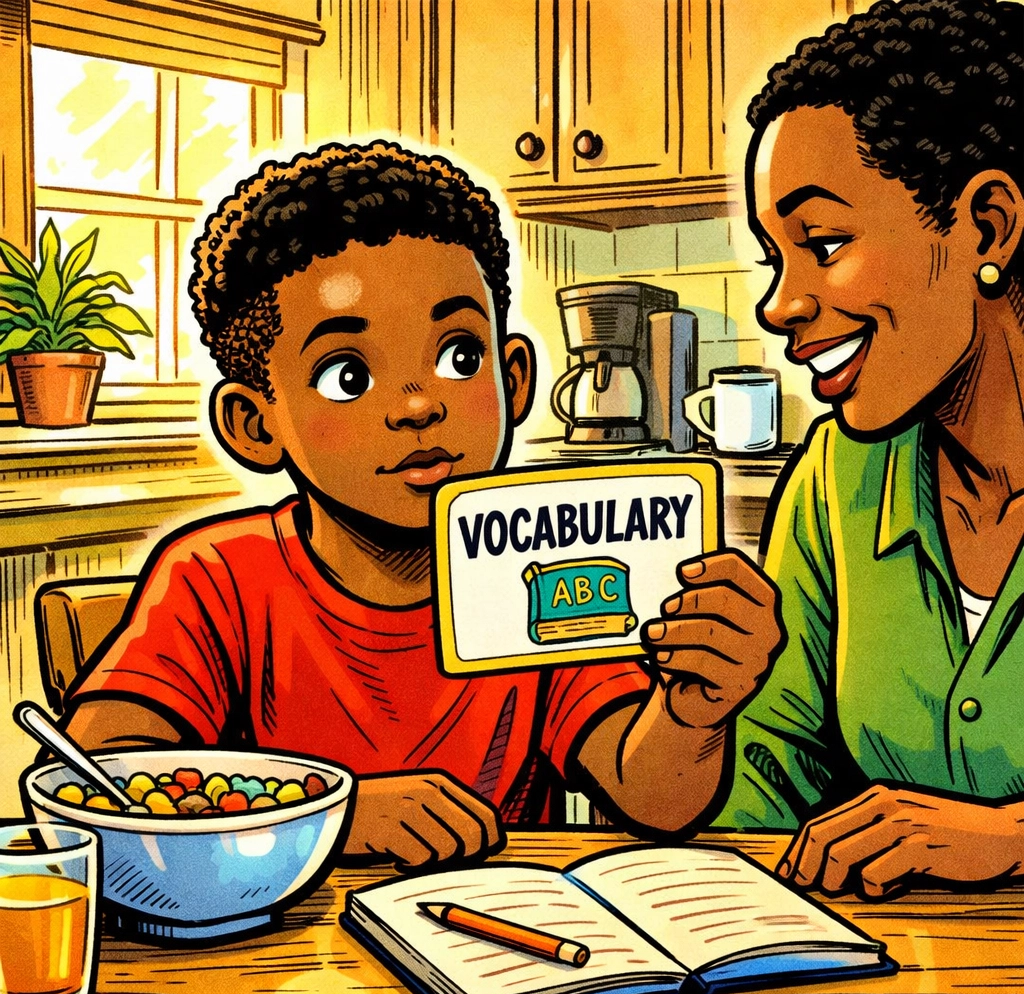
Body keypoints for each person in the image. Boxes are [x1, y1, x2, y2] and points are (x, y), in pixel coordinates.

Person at [58, 141, 783, 869]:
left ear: (514, 379)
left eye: (460, 358)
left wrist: (694, 709)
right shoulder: (218, 576)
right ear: (255, 424)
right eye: (347, 376)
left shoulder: (550, 561)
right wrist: (334, 820)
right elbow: (94, 779)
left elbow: (652, 797)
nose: (418, 405)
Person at [641, 0, 1024, 898]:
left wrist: (1010, 837)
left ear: (987, 226)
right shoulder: (835, 474)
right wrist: (701, 714)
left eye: (824, 243)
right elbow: (771, 789)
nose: (778, 305)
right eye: (776, 257)